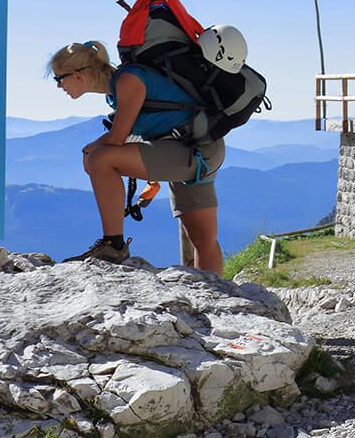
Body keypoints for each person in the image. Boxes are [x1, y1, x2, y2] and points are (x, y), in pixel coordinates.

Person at [48, 40, 226, 272]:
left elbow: (117, 139)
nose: (59, 86)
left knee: (100, 159)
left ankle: (113, 244)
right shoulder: (118, 87)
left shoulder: (128, 81)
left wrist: (88, 150)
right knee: (203, 238)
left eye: (59, 79)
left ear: (78, 74)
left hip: (190, 152)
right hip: (199, 148)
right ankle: (214, 290)